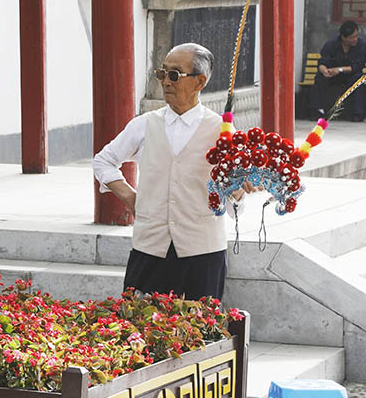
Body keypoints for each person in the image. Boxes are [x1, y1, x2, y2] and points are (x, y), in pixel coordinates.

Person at [92, 43, 254, 301]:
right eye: (162, 73)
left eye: (175, 75)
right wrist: (132, 199)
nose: (166, 82)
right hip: (149, 249)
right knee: (139, 329)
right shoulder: (145, 124)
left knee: (200, 333)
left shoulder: (222, 132)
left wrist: (235, 191)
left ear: (200, 81)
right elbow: (103, 162)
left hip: (202, 253)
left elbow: (236, 208)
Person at [312, 21, 366, 121]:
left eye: (356, 36)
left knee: (358, 78)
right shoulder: (331, 44)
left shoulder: (361, 45)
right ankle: (318, 111)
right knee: (319, 78)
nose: (355, 39)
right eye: (352, 37)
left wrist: (340, 70)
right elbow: (322, 62)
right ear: (343, 37)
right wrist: (324, 70)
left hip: (350, 74)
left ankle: (358, 114)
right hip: (332, 75)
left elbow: (358, 66)